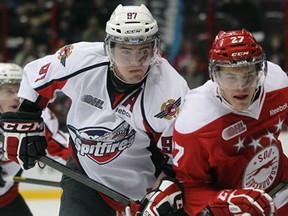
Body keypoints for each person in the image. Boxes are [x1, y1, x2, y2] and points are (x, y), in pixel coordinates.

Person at [0, 4, 189, 216]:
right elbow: (38, 78)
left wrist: (164, 190)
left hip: (144, 192)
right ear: (110, 49)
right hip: (85, 174)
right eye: (126, 52)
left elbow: (178, 158)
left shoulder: (170, 92)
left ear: (155, 49)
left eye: (144, 52)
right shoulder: (80, 59)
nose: (136, 62)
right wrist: (26, 117)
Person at [171, 29, 288, 215]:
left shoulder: (277, 83)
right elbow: (189, 189)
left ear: (260, 71)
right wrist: (226, 201)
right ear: (215, 75)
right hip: (236, 211)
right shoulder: (194, 121)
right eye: (230, 77)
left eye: (248, 75)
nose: (241, 86)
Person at [0, 63, 69, 216]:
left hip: (7, 201)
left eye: (20, 90)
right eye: (9, 91)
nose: (17, 96)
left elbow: (63, 148)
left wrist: (92, 165)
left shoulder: (35, 117)